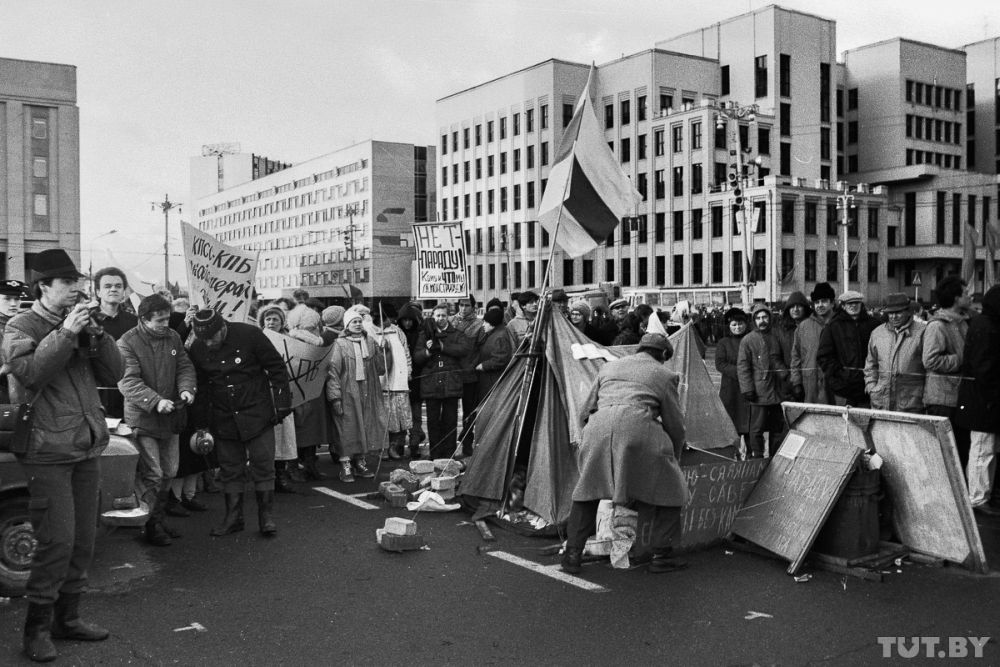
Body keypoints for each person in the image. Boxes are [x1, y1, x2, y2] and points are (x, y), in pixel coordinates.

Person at [3, 248, 124, 662]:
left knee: (83, 542)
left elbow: (116, 373)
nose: (77, 290)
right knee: (56, 541)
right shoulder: (21, 325)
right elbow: (31, 373)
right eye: (68, 283)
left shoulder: (82, 322)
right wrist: (66, 333)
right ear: (45, 286)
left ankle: (67, 619)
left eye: (77, 283)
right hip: (46, 448)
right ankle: (35, 629)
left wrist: (98, 336)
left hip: (85, 444)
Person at [562, 333, 689, 575]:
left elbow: (585, 410)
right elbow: (675, 424)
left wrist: (590, 436)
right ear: (663, 355)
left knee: (587, 492)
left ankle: (572, 555)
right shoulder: (665, 375)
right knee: (672, 489)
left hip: (597, 427)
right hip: (637, 427)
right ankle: (662, 556)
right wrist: (675, 453)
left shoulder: (609, 367)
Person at [187, 309, 291, 537]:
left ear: (223, 327)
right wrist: (201, 424)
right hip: (223, 415)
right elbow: (201, 387)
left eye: (213, 337)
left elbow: (276, 368)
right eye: (204, 339)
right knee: (230, 469)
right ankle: (233, 518)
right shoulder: (197, 347)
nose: (209, 343)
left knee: (263, 465)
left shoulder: (250, 334)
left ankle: (266, 517)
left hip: (257, 412)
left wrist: (282, 403)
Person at [117, 295, 197, 547]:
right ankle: (151, 524)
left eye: (166, 318)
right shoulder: (127, 342)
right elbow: (127, 381)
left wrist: (186, 389)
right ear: (143, 319)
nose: (165, 323)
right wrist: (155, 401)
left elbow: (184, 365)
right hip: (144, 419)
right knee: (153, 473)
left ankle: (155, 518)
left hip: (170, 416)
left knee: (170, 471)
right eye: (159, 319)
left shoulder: (173, 337)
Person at [327, 306, 388, 481]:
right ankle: (345, 464)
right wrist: (335, 396)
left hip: (368, 391)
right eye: (354, 322)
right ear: (347, 325)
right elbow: (333, 371)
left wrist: (383, 351)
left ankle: (360, 461)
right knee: (346, 427)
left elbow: (381, 369)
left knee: (365, 426)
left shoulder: (370, 342)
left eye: (360, 321)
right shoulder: (339, 344)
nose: (358, 324)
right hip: (347, 392)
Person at [956, 285, 1000, 516]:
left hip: (982, 399)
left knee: (987, 448)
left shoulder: (985, 324)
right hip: (983, 401)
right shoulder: (988, 327)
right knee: (983, 449)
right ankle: (978, 496)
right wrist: (994, 396)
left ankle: (982, 494)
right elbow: (986, 368)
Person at [413, 304, 473, 458]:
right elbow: (417, 357)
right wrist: (427, 351)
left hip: (450, 383)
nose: (440, 319)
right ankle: (435, 454)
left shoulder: (457, 334)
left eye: (443, 315)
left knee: (450, 421)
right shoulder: (424, 335)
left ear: (448, 317)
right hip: (431, 383)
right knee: (432, 422)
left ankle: (449, 454)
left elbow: (463, 349)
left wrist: (442, 346)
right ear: (433, 317)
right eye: (438, 315)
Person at [922, 276, 971, 461]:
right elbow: (930, 360)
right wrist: (962, 360)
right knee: (949, 454)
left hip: (958, 397)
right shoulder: (938, 326)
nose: (970, 296)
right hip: (942, 401)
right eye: (966, 293)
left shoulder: (963, 322)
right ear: (956, 298)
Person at [737, 303, 789, 458]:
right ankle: (758, 458)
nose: (762, 321)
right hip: (758, 393)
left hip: (778, 391)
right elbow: (743, 366)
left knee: (777, 429)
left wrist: (787, 380)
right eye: (758, 318)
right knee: (756, 429)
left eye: (765, 317)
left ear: (770, 318)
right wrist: (747, 389)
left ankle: (774, 457)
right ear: (754, 320)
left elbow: (783, 359)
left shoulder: (778, 336)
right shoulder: (748, 340)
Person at [256, 304, 299, 492]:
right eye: (268, 319)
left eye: (275, 319)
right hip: (263, 393)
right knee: (266, 436)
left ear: (282, 322)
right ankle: (265, 476)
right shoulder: (256, 338)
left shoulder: (289, 341)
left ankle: (280, 475)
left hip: (283, 392)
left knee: (284, 436)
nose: (271, 322)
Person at [287, 305, 331, 481]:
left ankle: (308, 463)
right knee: (301, 430)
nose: (316, 330)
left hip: (310, 388)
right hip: (302, 390)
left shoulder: (316, 342)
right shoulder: (297, 342)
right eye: (313, 326)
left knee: (309, 429)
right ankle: (296, 466)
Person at [864, 293, 926, 413]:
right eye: (890, 313)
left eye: (898, 312)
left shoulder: (922, 332)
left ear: (909, 312)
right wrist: (871, 387)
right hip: (881, 403)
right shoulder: (877, 333)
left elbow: (928, 368)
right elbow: (870, 365)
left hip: (912, 404)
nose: (893, 316)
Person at [817, 290, 880, 407]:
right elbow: (824, 356)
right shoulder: (833, 326)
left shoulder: (874, 325)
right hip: (843, 388)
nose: (853, 306)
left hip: (869, 385)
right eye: (849, 303)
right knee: (844, 423)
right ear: (843, 306)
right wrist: (840, 375)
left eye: (856, 302)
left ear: (861, 304)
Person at [374, 303, 412, 460]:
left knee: (399, 417)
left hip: (398, 381)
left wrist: (407, 372)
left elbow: (406, 353)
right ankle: (381, 448)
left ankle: (394, 447)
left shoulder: (398, 332)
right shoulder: (370, 332)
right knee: (383, 417)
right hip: (380, 382)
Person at [473, 308, 514, 449]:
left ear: (492, 323)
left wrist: (483, 366)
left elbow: (501, 359)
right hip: (488, 380)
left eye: (485, 322)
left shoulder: (500, 336)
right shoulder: (494, 334)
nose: (483, 325)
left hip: (493, 381)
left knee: (491, 413)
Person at [790, 282, 836, 404]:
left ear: (832, 302)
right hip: (810, 385)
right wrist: (796, 382)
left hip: (836, 386)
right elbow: (796, 357)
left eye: (824, 301)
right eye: (817, 302)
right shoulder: (803, 327)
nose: (820, 305)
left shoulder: (840, 324)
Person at [451, 295, 485, 457]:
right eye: (461, 305)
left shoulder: (479, 325)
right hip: (452, 373)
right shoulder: (450, 321)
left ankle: (466, 441)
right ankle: (450, 445)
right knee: (450, 412)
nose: (463, 309)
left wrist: (474, 366)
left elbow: (481, 350)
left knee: (469, 412)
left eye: (467, 305)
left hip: (470, 374)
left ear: (473, 306)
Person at [716, 308, 751, 449]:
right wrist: (741, 371)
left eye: (740, 324)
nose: (738, 327)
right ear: (729, 326)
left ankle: (749, 455)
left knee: (749, 424)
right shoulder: (724, 343)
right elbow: (720, 364)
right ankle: (733, 454)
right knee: (731, 424)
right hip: (730, 388)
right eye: (734, 325)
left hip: (748, 387)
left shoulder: (750, 339)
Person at [397, 302, 426, 457]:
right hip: (400, 380)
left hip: (416, 379)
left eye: (410, 320)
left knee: (415, 415)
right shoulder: (396, 333)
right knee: (402, 415)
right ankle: (400, 443)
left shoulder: (419, 334)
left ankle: (414, 443)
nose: (407, 323)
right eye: (404, 320)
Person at [0, 279, 30, 403]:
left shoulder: (27, 325)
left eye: (17, 298)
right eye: (7, 299)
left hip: (26, 395)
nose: (13, 303)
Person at [92, 267, 137, 341]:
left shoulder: (134, 322)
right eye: (107, 286)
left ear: (123, 292)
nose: (113, 289)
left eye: (118, 286)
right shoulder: (89, 320)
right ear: (98, 292)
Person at [774, 291, 810, 368]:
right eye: (792, 306)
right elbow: (775, 357)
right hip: (789, 375)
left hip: (810, 373)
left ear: (805, 308)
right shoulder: (781, 330)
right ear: (788, 309)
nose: (795, 309)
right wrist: (786, 375)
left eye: (799, 306)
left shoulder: (813, 328)